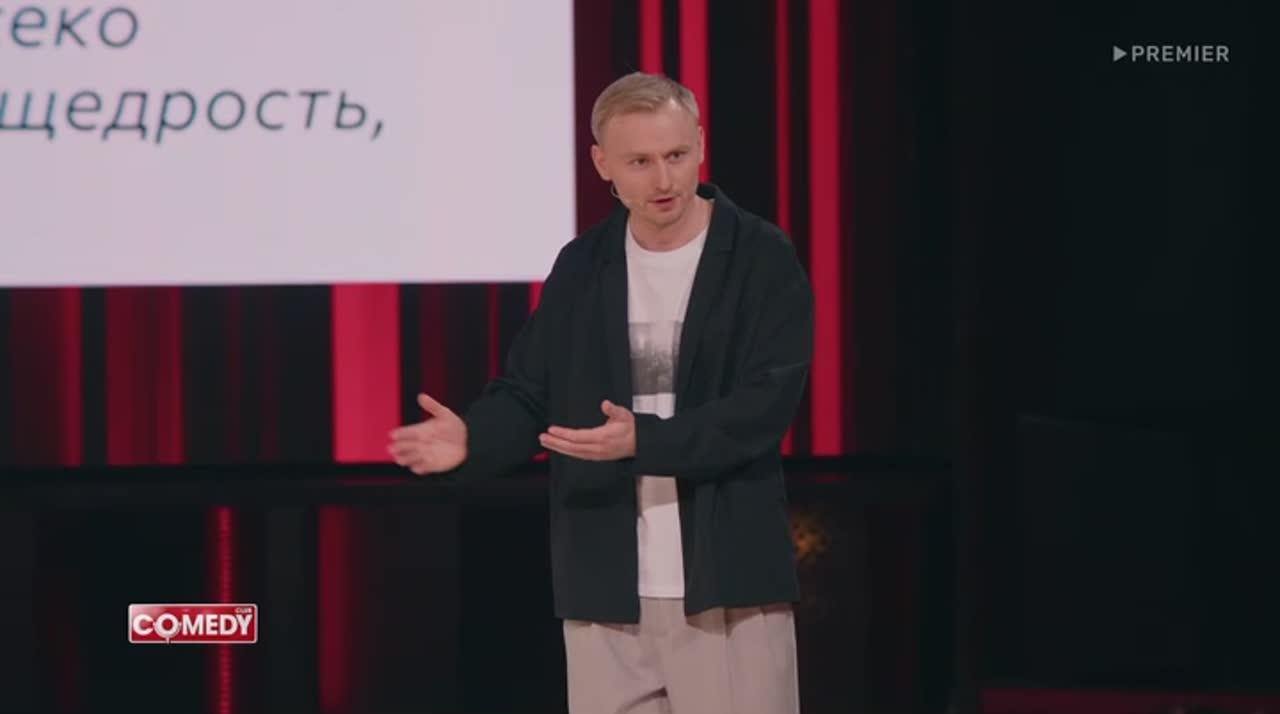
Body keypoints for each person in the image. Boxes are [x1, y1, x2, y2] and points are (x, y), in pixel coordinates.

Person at [388, 71, 813, 714]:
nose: (664, 179)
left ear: (701, 144)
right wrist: (472, 441)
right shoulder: (583, 265)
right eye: (639, 162)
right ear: (601, 164)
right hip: (605, 588)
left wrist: (646, 440)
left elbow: (764, 406)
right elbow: (530, 394)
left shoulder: (759, 256)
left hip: (726, 583)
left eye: (676, 155)